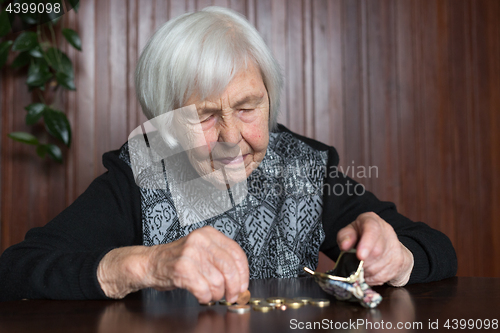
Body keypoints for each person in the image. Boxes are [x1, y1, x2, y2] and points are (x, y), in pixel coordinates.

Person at [0, 6, 456, 303]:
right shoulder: (139, 173)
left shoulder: (304, 167)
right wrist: (143, 264)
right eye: (204, 115)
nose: (232, 138)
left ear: (268, 100)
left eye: (247, 108)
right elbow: (15, 271)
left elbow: (436, 247)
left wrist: (397, 258)